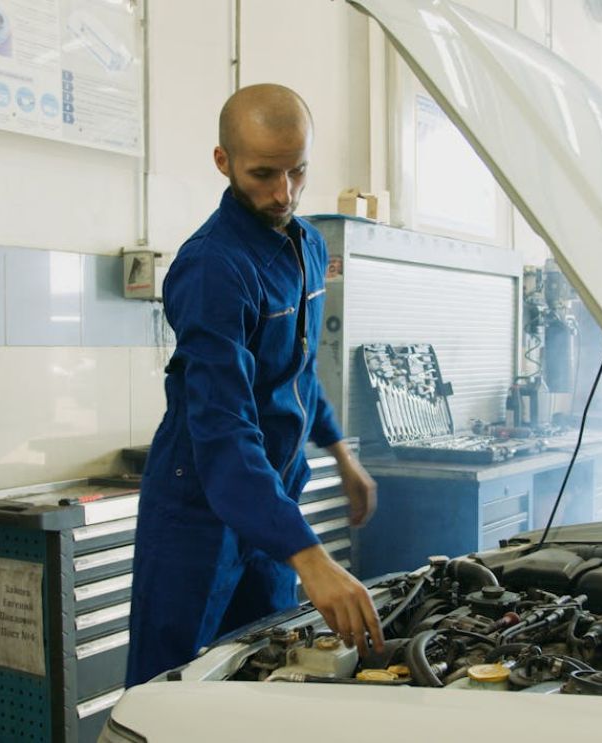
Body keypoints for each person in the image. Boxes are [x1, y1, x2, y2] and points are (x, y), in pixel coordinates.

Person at [125, 84, 384, 687]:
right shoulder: (213, 267)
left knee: (265, 678)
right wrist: (310, 555)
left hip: (271, 506)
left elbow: (293, 373)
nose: (283, 193)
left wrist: (341, 453)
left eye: (298, 172)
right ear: (224, 162)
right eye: (264, 174)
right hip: (199, 510)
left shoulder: (309, 246)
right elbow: (223, 430)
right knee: (173, 691)